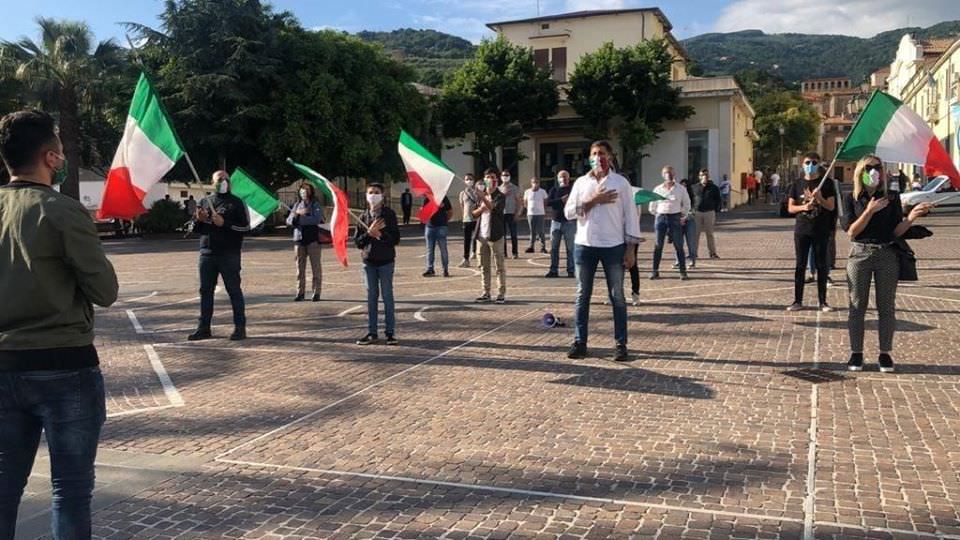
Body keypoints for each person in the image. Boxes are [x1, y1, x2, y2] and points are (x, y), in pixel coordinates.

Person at [0, 109, 119, 538]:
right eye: (62, 151)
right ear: (51, 158)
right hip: (64, 366)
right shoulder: (62, 211)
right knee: (69, 491)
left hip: (4, 364)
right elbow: (104, 291)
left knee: (3, 487)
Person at [842, 155, 931, 372]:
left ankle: (885, 353)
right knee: (857, 306)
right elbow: (852, 232)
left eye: (878, 168)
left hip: (887, 254)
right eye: (869, 168)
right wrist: (870, 211)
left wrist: (911, 218)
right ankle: (856, 353)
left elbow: (895, 231)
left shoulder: (891, 197)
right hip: (860, 254)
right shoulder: (850, 197)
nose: (874, 172)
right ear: (860, 172)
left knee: (886, 306)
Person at [565, 140, 641, 362]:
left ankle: (620, 344)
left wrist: (630, 249)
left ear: (611, 156)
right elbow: (569, 212)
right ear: (589, 157)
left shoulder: (621, 183)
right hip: (585, 245)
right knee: (582, 295)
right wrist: (593, 200)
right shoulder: (580, 183)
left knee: (617, 296)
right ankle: (580, 342)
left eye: (603, 153)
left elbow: (631, 218)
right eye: (595, 153)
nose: (598, 157)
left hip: (613, 246)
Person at [188, 170, 250, 341]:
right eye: (218, 179)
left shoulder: (236, 203)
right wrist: (198, 220)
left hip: (229, 254)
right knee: (205, 291)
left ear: (230, 182)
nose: (222, 182)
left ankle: (240, 327)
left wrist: (225, 224)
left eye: (225, 179)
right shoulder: (205, 201)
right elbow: (195, 229)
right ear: (212, 182)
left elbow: (246, 227)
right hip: (207, 254)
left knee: (234, 291)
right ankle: (204, 328)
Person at [786, 152, 836, 312]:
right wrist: (804, 207)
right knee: (800, 265)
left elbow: (831, 206)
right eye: (807, 162)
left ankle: (823, 302)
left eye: (814, 162)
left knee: (822, 265)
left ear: (819, 164)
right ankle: (797, 301)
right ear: (802, 164)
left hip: (821, 229)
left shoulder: (827, 183)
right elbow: (790, 207)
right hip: (802, 229)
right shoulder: (797, 184)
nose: (810, 165)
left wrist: (820, 198)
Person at [355, 183, 401, 345]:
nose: (373, 195)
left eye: (376, 193)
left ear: (382, 196)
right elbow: (358, 242)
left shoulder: (389, 215)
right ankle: (372, 332)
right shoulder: (363, 217)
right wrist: (369, 233)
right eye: (370, 193)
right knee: (371, 297)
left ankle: (390, 332)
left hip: (386, 261)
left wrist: (380, 234)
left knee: (387, 296)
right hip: (369, 262)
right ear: (366, 196)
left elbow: (395, 239)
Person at [650, 166, 691, 280]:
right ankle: (655, 271)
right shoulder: (658, 189)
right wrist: (658, 214)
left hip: (675, 217)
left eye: (671, 173)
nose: (669, 175)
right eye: (666, 173)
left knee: (678, 245)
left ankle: (683, 272)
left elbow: (687, 204)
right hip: (661, 218)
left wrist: (681, 215)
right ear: (663, 175)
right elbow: (652, 206)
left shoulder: (681, 189)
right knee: (658, 245)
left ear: (675, 174)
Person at [286, 181, 324, 302]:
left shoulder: (315, 205)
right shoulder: (297, 205)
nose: (304, 192)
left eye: (307, 189)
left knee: (316, 267)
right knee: (299, 268)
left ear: (311, 191)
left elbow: (316, 219)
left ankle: (316, 292)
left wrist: (300, 218)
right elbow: (289, 220)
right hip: (299, 239)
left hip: (313, 240)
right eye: (302, 189)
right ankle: (300, 292)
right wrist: (297, 214)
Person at [473, 168, 507, 304]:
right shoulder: (481, 195)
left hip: (496, 235)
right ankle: (486, 292)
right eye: (487, 177)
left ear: (496, 180)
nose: (490, 180)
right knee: (483, 266)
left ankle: (501, 293)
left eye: (493, 177)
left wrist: (483, 198)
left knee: (499, 266)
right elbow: (474, 214)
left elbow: (494, 208)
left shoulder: (500, 195)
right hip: (481, 235)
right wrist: (481, 207)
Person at [546, 170, 575, 278]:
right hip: (556, 222)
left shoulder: (572, 190)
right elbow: (548, 203)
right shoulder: (554, 190)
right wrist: (561, 200)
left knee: (570, 248)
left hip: (569, 222)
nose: (564, 179)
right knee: (554, 248)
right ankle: (553, 270)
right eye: (561, 177)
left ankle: (571, 270)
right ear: (558, 179)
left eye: (565, 177)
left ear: (569, 178)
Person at [691, 168, 722, 259]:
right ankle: (694, 253)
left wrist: (716, 209)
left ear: (708, 177)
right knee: (695, 234)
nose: (704, 177)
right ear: (699, 177)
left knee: (710, 234)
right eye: (702, 175)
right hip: (697, 213)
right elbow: (690, 199)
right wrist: (691, 210)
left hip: (709, 212)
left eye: (706, 175)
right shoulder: (694, 187)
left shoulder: (714, 188)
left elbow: (718, 200)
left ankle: (712, 253)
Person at [422, 195, 452, 277]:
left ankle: (445, 269)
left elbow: (450, 211)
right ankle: (430, 268)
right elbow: (424, 212)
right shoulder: (427, 198)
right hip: (430, 226)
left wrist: (445, 221)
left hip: (441, 226)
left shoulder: (444, 197)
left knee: (443, 249)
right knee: (430, 249)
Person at [522, 177, 548, 253]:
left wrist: (543, 210)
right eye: (534, 182)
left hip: (540, 214)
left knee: (541, 231)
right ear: (531, 183)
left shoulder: (542, 191)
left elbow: (545, 201)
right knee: (532, 231)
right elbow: (525, 202)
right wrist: (529, 209)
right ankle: (531, 247)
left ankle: (543, 247)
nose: (535, 184)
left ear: (539, 183)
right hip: (530, 214)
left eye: (537, 182)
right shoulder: (527, 192)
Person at [458, 174, 479, 267]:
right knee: (467, 239)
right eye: (467, 179)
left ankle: (477, 255)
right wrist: (464, 216)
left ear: (474, 180)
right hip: (467, 219)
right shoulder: (462, 193)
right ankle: (466, 259)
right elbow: (462, 205)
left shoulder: (477, 192)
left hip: (477, 218)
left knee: (478, 238)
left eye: (470, 179)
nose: (469, 181)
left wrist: (472, 192)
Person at [500, 170, 521, 259]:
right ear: (501, 177)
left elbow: (518, 201)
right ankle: (504, 253)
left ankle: (515, 252)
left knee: (513, 234)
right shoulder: (499, 188)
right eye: (504, 175)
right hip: (502, 214)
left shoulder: (515, 188)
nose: (505, 176)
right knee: (502, 235)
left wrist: (517, 213)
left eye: (507, 175)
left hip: (512, 213)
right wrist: (503, 195)